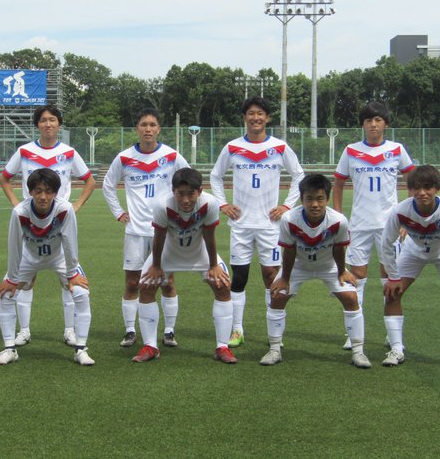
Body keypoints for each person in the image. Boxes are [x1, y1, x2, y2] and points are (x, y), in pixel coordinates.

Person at [210, 96, 304, 348]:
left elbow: (299, 176)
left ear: (267, 118)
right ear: (244, 117)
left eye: (260, 113)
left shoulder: (280, 147)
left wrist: (286, 205)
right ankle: (237, 330)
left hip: (270, 225)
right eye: (251, 113)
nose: (256, 118)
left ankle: (272, 330)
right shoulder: (232, 147)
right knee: (239, 277)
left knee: (271, 275)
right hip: (240, 225)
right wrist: (223, 204)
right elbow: (215, 176)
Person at [0, 104, 95, 348]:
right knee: (26, 279)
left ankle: (70, 331)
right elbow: (5, 178)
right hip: (30, 219)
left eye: (53, 120)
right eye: (43, 120)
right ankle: (24, 331)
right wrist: (15, 204)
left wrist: (76, 206)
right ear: (37, 124)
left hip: (59, 219)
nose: (48, 124)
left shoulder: (69, 152)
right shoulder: (24, 151)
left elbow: (90, 181)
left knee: (69, 280)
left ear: (59, 124)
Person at [260, 174, 371, 369]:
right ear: (301, 199)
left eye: (320, 199)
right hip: (298, 266)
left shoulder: (339, 220)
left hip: (328, 266)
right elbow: (289, 249)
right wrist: (284, 278)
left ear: (327, 200)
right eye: (309, 199)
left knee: (351, 298)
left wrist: (342, 271)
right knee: (277, 296)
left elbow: (338, 247)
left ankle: (358, 351)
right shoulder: (289, 219)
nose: (315, 204)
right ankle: (275, 349)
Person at [102, 108, 189, 348]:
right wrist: (119, 212)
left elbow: (189, 181)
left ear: (159, 129)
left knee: (167, 282)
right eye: (143, 125)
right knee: (132, 283)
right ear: (137, 129)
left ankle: (169, 331)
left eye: (152, 125)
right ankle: (130, 330)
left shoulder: (171, 156)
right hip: (135, 231)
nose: (148, 129)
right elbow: (108, 185)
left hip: (164, 231)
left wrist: (181, 212)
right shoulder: (124, 158)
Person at [132, 168, 237, 364]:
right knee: (146, 286)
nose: (186, 200)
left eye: (191, 194)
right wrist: (155, 265)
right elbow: (159, 236)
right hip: (167, 253)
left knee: (222, 285)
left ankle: (222, 347)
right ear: (173, 191)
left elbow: (209, 235)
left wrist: (213, 265)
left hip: (200, 252)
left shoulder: (211, 203)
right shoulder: (162, 205)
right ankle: (150, 346)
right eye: (181, 194)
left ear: (200, 191)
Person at [0, 168, 95, 366]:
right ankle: (9, 349)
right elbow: (14, 246)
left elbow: (70, 242)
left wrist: (72, 273)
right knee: (6, 293)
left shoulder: (64, 210)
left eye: (48, 191)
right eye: (38, 191)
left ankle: (81, 349)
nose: (43, 196)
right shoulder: (20, 212)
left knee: (81, 292)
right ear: (30, 191)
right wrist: (12, 279)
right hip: (28, 257)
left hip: (59, 257)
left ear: (56, 193)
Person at [334, 101, 414, 349]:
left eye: (378, 120)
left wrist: (407, 220)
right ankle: (354, 334)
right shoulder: (351, 150)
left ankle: (392, 335)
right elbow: (337, 185)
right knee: (356, 278)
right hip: (358, 225)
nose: (373, 124)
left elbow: (412, 182)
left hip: (390, 225)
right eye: (368, 120)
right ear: (363, 125)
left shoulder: (397, 150)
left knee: (390, 278)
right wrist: (339, 219)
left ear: (385, 124)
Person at [381, 165, 440, 370]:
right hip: (413, 252)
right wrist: (393, 277)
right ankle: (396, 349)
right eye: (417, 188)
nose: (422, 193)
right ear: (410, 189)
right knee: (392, 293)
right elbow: (386, 244)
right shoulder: (400, 211)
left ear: (437, 188)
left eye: (428, 187)